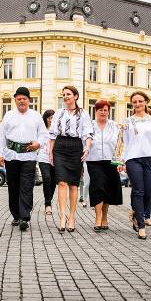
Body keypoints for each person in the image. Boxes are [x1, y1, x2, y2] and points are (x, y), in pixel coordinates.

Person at [119, 91, 151, 239]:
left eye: (140, 101)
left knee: (149, 191)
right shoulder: (127, 121)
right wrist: (120, 160)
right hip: (133, 159)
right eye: (134, 102)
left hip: (150, 158)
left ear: (146, 102)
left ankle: (136, 214)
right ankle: (141, 225)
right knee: (138, 190)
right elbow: (123, 142)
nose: (137, 104)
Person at [0, 87, 48, 230]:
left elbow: (44, 135)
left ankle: (24, 217)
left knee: (26, 186)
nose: (21, 101)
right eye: (19, 99)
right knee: (13, 187)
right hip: (11, 155)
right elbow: (1, 136)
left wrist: (39, 143)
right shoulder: (8, 115)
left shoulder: (36, 116)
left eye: (24, 98)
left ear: (29, 100)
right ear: (15, 100)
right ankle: (16, 215)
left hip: (29, 155)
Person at [49, 86, 93, 233]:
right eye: (64, 95)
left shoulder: (83, 113)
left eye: (68, 94)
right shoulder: (59, 113)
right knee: (61, 182)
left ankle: (72, 217)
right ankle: (62, 217)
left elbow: (87, 133)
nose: (66, 97)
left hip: (75, 147)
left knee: (73, 185)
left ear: (75, 96)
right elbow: (53, 134)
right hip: (60, 146)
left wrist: (87, 147)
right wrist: (50, 153)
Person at [86, 99, 122, 232]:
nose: (103, 112)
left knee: (108, 188)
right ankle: (97, 218)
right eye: (100, 109)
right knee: (97, 187)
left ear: (109, 111)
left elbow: (120, 144)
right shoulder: (90, 125)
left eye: (105, 110)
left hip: (110, 161)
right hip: (93, 160)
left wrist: (120, 160)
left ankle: (105, 217)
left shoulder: (114, 126)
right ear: (96, 111)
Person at [38, 109, 56, 215]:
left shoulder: (58, 130)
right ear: (45, 119)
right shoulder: (42, 130)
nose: (51, 120)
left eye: (53, 118)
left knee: (53, 181)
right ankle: (47, 204)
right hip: (43, 157)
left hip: (55, 158)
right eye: (49, 118)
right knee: (47, 179)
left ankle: (49, 201)